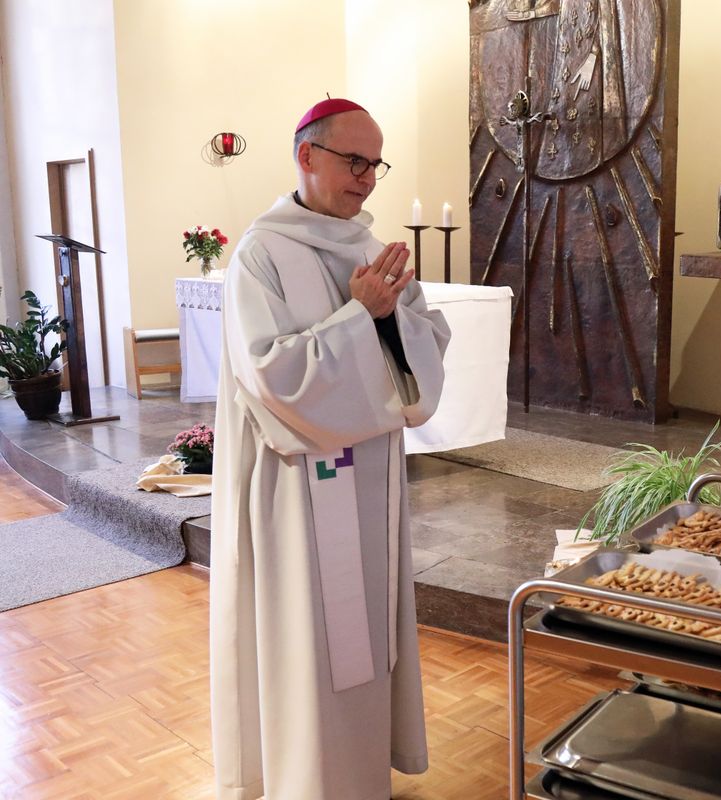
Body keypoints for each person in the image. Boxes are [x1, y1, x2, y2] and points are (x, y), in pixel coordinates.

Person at [209, 98, 451, 799]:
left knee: (364, 636)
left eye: (375, 164)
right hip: (295, 488)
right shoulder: (260, 253)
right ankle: (304, 778)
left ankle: (359, 769)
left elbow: (427, 344)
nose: (367, 178)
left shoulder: (372, 247)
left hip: (370, 478)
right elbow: (273, 376)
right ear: (306, 156)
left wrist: (388, 321)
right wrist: (362, 317)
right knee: (305, 641)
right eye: (354, 162)